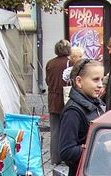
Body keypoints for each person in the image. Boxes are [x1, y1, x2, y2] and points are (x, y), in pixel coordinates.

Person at [59, 58, 109, 176]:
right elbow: (67, 152)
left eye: (101, 80)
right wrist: (101, 147)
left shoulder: (94, 103)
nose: (100, 85)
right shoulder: (73, 112)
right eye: (95, 80)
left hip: (98, 175)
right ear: (79, 81)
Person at [45, 39, 71, 167]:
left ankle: (55, 157)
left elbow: (47, 80)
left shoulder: (50, 63)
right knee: (67, 129)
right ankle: (66, 156)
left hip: (52, 98)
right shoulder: (70, 62)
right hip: (66, 99)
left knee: (55, 130)